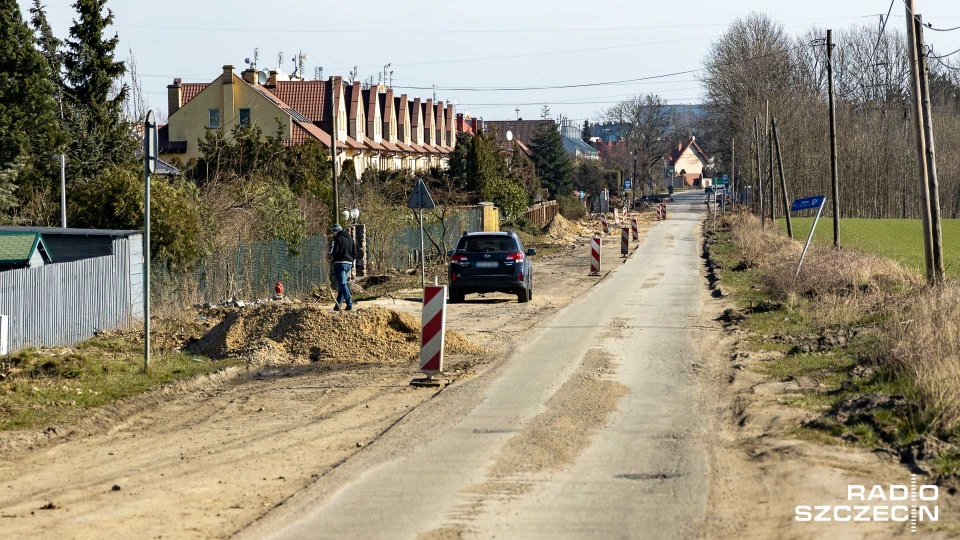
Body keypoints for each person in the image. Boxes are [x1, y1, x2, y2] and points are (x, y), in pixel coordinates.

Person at [329, 223, 358, 311]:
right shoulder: (350, 238)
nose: (333, 233)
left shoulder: (337, 238)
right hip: (349, 263)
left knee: (342, 284)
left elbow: (334, 251)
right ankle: (338, 305)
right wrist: (351, 259)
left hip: (339, 263)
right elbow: (355, 252)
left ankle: (349, 303)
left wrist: (333, 257)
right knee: (343, 284)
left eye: (333, 232)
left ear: (336, 231)